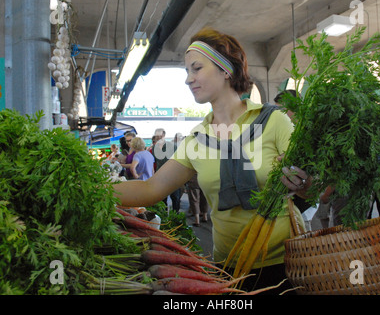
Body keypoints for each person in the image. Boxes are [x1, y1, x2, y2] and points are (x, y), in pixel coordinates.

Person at [113, 27, 310, 294]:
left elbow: (312, 187)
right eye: (187, 71)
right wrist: (93, 190)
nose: (188, 79)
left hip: (287, 264)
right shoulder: (197, 140)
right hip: (227, 268)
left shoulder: (274, 121)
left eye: (196, 69)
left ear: (225, 70)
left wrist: (303, 182)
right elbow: (150, 189)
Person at [152, 128, 181, 212]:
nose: (158, 137)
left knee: (175, 198)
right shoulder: (154, 148)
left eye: (160, 135)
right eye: (156, 135)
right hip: (160, 176)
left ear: (164, 135)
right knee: (162, 199)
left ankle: (176, 216)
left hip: (173, 176)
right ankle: (164, 217)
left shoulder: (173, 146)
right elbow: (156, 162)